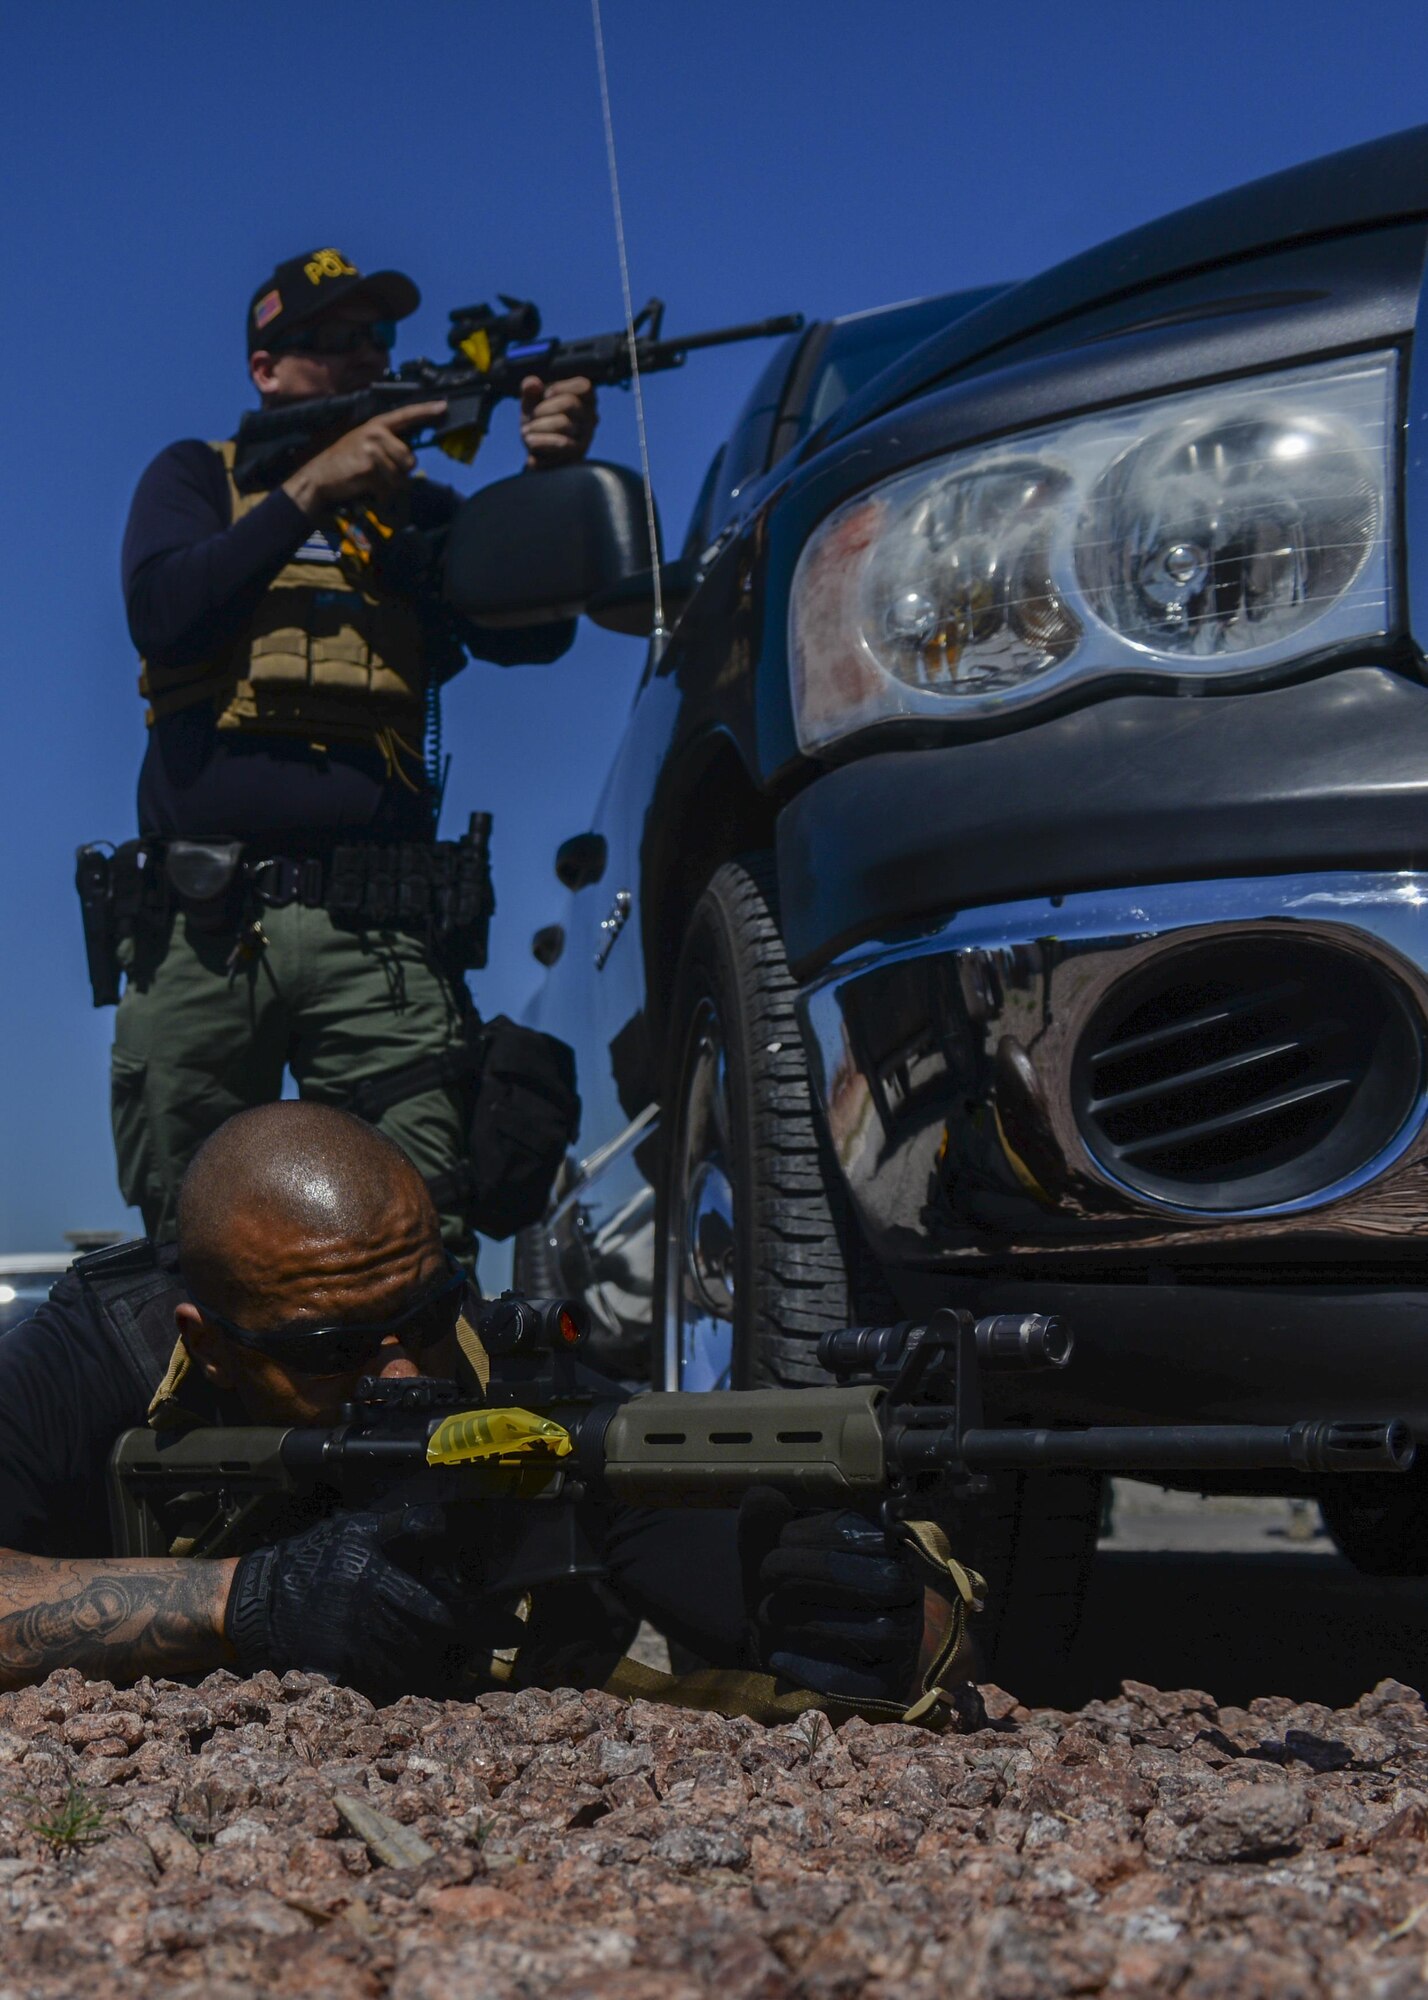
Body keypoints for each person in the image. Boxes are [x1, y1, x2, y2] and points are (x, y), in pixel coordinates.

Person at [0, 1103, 933, 1707]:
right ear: (207, 1343)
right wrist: (242, 1600)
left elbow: (896, 1634)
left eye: (427, 1313)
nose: (404, 1376)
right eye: (335, 1351)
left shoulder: (511, 1379)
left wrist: (872, 1621)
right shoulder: (84, 1365)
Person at [108, 247, 599, 1252]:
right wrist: (307, 491)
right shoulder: (198, 476)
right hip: (207, 927)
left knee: (415, 1226)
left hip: (377, 931)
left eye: (375, 339)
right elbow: (162, 611)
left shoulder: (414, 511)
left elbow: (532, 630)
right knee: (189, 1237)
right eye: (330, 341)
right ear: (266, 367)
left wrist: (552, 478)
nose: (362, 359)